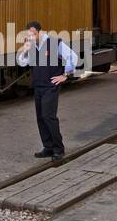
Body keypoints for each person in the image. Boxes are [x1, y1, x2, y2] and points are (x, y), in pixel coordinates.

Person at [17, 21, 78, 161]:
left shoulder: (54, 43)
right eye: (29, 34)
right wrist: (25, 50)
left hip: (51, 86)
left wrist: (65, 75)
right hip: (38, 86)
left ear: (40, 32)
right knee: (40, 117)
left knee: (49, 116)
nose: (30, 36)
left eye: (33, 33)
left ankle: (58, 149)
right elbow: (22, 62)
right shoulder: (31, 45)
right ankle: (48, 147)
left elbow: (72, 57)